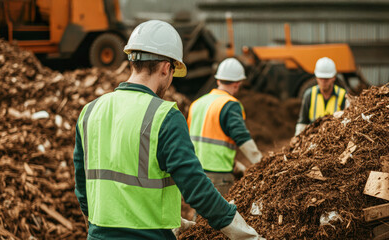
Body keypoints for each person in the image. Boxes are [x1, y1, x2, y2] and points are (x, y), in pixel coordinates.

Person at [73, 20, 262, 240]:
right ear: (166, 68)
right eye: (173, 72)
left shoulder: (89, 112)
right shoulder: (164, 116)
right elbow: (196, 188)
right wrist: (245, 234)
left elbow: (83, 189)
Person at [187, 58, 263, 197]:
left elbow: (199, 139)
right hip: (218, 176)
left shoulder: (197, 104)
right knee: (219, 217)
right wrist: (263, 163)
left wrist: (234, 163)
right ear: (237, 84)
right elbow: (242, 138)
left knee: (201, 217)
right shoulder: (230, 105)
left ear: (218, 80)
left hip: (195, 173)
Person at [295, 57, 347, 136]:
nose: (323, 82)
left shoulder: (343, 95)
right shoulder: (309, 95)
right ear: (316, 77)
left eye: (326, 79)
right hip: (313, 138)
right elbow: (303, 122)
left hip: (336, 139)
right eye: (321, 78)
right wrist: (297, 139)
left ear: (334, 78)